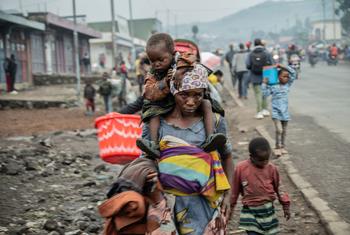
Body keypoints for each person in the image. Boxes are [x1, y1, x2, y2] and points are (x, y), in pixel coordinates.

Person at [141, 64, 234, 234]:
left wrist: (228, 196)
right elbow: (146, 162)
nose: (191, 102)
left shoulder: (214, 122)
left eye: (197, 95)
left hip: (204, 205)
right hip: (166, 205)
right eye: (184, 95)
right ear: (173, 91)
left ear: (204, 94)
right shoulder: (157, 124)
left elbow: (227, 157)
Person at [137, 33, 226, 159]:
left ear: (173, 54)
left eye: (161, 60)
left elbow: (191, 57)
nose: (156, 64)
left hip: (181, 95)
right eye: (153, 61)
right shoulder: (152, 74)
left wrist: (181, 69)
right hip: (162, 102)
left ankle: (210, 137)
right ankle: (153, 144)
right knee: (153, 113)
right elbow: (148, 93)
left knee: (207, 103)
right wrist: (164, 83)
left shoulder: (180, 59)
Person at [231, 137, 291, 235]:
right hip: (250, 212)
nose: (264, 162)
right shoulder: (241, 168)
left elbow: (279, 188)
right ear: (251, 157)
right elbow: (234, 191)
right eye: (261, 160)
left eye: (267, 159)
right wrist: (230, 208)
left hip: (268, 211)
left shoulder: (272, 169)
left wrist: (286, 205)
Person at [261, 64, 296, 156]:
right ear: (278, 77)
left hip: (285, 113)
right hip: (276, 113)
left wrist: (283, 66)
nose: (286, 78)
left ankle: (283, 146)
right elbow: (264, 95)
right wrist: (264, 83)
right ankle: (277, 146)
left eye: (287, 77)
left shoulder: (287, 85)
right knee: (279, 130)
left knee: (284, 131)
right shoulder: (273, 86)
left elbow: (294, 73)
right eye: (284, 76)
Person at [246, 38, 273, 119]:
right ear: (261, 44)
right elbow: (272, 64)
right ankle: (265, 110)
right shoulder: (266, 52)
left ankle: (259, 112)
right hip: (265, 76)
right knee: (264, 93)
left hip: (254, 76)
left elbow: (247, 65)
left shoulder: (250, 54)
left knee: (258, 94)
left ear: (254, 44)